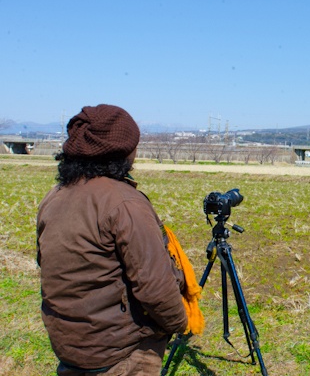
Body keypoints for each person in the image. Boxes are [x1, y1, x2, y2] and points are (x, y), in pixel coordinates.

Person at [37, 104, 196, 375]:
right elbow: (155, 287)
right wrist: (182, 323)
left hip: (71, 347)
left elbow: (47, 265)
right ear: (123, 152)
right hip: (122, 353)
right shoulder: (124, 202)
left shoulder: (55, 196)